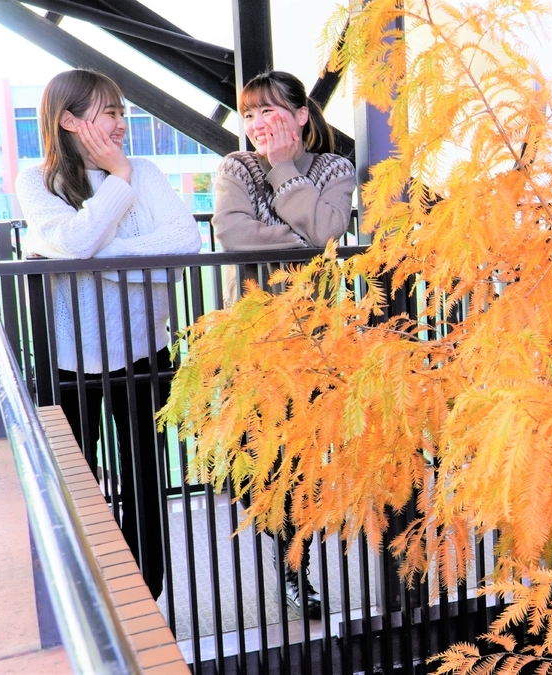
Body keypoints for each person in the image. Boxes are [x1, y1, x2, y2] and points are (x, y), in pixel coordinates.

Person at [15, 69, 202, 600]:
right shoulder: (39, 180)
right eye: (108, 112)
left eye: (121, 112)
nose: (121, 123)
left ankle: (147, 587)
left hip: (144, 354)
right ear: (69, 120)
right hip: (68, 362)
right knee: (75, 483)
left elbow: (182, 243)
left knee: (145, 477)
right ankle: (83, 593)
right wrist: (116, 183)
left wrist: (93, 255)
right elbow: (74, 239)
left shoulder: (145, 170)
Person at [212, 70, 356, 619]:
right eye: (249, 115)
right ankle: (283, 553)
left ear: (300, 115)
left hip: (315, 342)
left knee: (306, 462)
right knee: (259, 464)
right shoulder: (235, 167)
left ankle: (297, 570)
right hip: (250, 341)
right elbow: (234, 233)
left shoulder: (334, 168)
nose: (257, 125)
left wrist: (282, 170)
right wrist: (304, 239)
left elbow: (329, 231)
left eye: (270, 111)